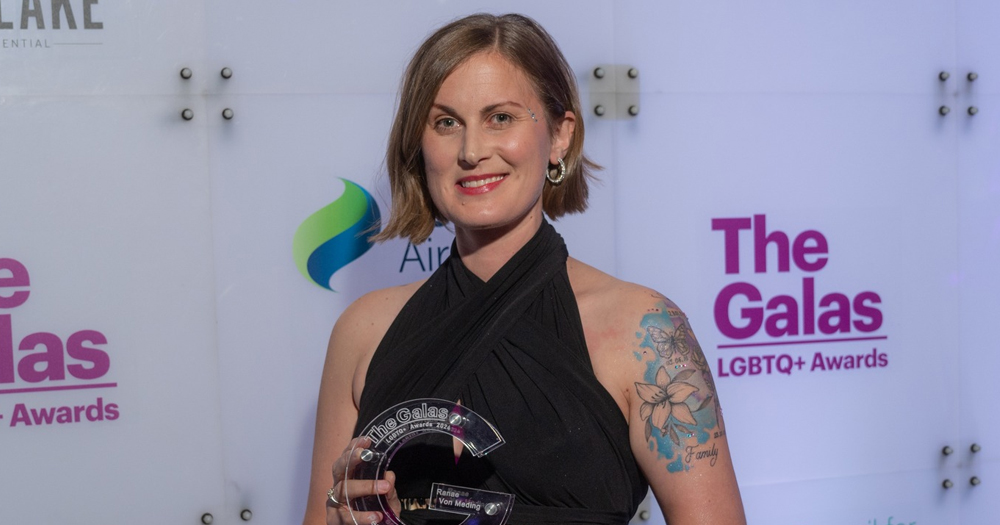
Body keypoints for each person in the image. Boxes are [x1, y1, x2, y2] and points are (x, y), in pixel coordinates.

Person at [304, 13, 746, 525]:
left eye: (502, 118)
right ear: (419, 145)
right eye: (446, 122)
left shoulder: (643, 329)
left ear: (559, 135)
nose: (472, 151)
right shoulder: (364, 330)